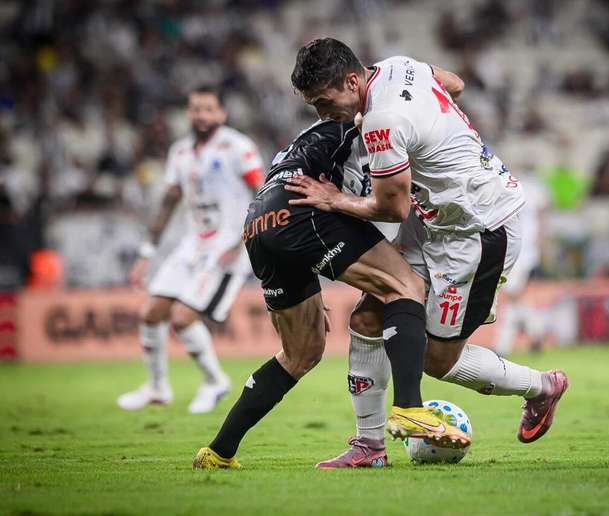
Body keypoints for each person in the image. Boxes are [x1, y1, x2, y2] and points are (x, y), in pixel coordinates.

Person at [285, 38, 569, 469]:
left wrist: (333, 199)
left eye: (325, 103)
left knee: (436, 359)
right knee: (367, 317)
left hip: (480, 230)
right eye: (315, 108)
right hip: (437, 216)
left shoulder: (382, 120)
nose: (324, 116)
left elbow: (390, 207)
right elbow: (453, 83)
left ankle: (541, 387)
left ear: (350, 80)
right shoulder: (397, 65)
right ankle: (369, 446)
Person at [192, 119, 469, 470]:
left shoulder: (315, 138)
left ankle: (218, 451)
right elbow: (390, 206)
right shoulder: (371, 122)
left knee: (300, 353)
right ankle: (410, 408)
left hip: (260, 223)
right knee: (405, 285)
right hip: (300, 212)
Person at [117, 85, 264, 414]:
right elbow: (169, 202)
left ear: (222, 114)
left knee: (182, 317)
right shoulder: (181, 152)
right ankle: (157, 388)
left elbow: (263, 193)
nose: (201, 116)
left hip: (227, 249)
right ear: (188, 112)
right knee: (150, 313)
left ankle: (214, 381)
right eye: (196, 109)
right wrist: (146, 253)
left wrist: (243, 241)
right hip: (192, 245)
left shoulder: (238, 147)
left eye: (208, 109)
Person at [495, 163, 551, 355]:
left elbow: (542, 216)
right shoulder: (529, 189)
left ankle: (503, 345)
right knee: (514, 296)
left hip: (522, 250)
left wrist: (540, 243)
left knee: (512, 296)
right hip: (520, 249)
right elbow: (544, 215)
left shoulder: (511, 187)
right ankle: (535, 333)